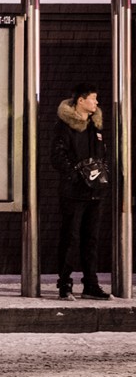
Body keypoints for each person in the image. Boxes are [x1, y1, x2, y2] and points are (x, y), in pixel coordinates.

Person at [50, 82, 111, 300]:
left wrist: (100, 175)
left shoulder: (96, 127)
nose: (96, 102)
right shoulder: (64, 126)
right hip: (73, 192)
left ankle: (90, 284)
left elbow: (102, 157)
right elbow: (57, 156)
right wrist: (76, 174)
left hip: (95, 192)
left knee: (91, 239)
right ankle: (65, 284)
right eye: (93, 98)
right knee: (70, 238)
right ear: (80, 101)